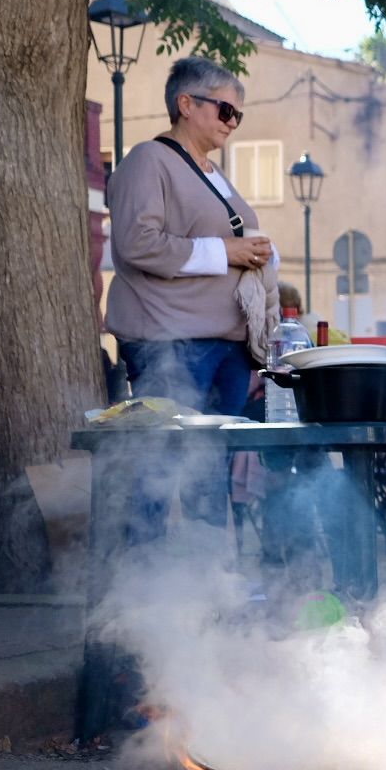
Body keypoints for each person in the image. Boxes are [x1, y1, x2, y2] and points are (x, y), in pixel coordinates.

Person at [106, 56, 276, 530]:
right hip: (172, 342)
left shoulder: (215, 174)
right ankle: (143, 584)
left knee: (207, 474)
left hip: (225, 348)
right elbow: (137, 243)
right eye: (225, 110)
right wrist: (227, 251)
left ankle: (205, 586)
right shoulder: (149, 159)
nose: (233, 122)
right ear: (186, 103)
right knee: (157, 470)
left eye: (237, 114)